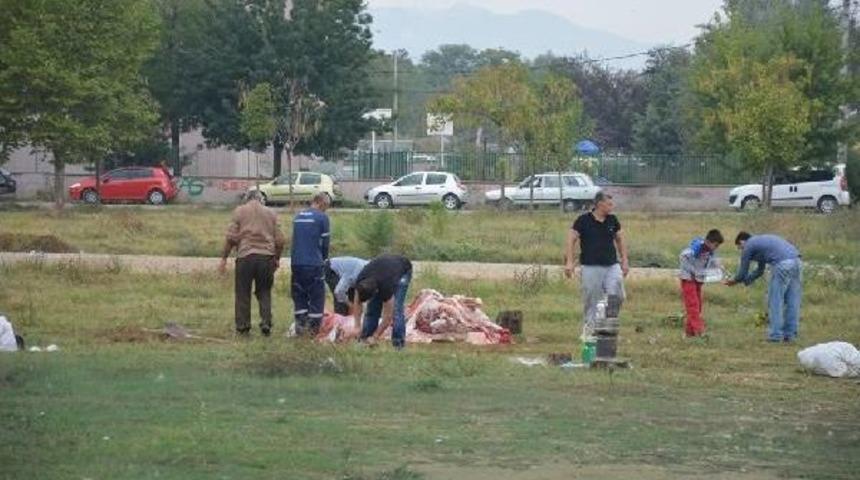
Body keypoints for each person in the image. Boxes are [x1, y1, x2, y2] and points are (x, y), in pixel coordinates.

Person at [219, 190, 285, 337]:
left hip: (245, 256)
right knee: (264, 291)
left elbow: (231, 238)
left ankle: (243, 327)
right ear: (262, 200)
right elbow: (280, 240)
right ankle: (266, 323)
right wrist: (277, 259)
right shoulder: (271, 213)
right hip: (266, 257)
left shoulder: (240, 211)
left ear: (247, 199)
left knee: (242, 292)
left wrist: (224, 258)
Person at [564, 192, 629, 337]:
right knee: (592, 299)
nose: (612, 207)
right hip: (591, 266)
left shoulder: (613, 220)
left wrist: (624, 260)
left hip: (612, 265)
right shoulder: (583, 220)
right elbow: (571, 239)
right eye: (609, 204)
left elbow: (620, 239)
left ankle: (607, 327)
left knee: (617, 295)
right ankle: (590, 330)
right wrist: (569, 261)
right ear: (600, 204)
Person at [725, 232, 802, 343]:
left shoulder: (749, 245)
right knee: (792, 300)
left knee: (775, 300)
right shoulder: (760, 243)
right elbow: (760, 270)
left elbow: (742, 273)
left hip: (782, 263)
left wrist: (734, 281)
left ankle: (775, 335)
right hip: (797, 261)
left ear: (742, 242)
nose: (741, 251)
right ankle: (790, 335)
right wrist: (748, 280)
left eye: (740, 247)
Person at [290, 192, 331, 336]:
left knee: (299, 294)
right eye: (326, 206)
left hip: (296, 263)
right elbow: (325, 244)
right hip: (314, 263)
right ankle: (313, 330)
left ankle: (300, 327)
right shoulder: (322, 218)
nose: (326, 210)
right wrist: (324, 260)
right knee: (316, 296)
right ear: (320, 202)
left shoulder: (298, 217)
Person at [351, 254, 412, 349]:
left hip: (403, 268)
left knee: (397, 310)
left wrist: (376, 336)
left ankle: (398, 344)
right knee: (372, 309)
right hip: (383, 268)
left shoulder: (386, 287)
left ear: (376, 291)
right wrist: (357, 326)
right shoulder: (361, 280)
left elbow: (388, 316)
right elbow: (357, 303)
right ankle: (365, 340)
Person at [678, 229, 724, 337]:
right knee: (693, 305)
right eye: (715, 245)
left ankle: (689, 333)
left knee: (698, 306)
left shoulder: (710, 251)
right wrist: (693, 271)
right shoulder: (697, 248)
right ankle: (700, 331)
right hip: (688, 279)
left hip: (698, 280)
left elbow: (710, 261)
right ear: (708, 242)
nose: (716, 248)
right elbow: (683, 256)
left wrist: (719, 267)